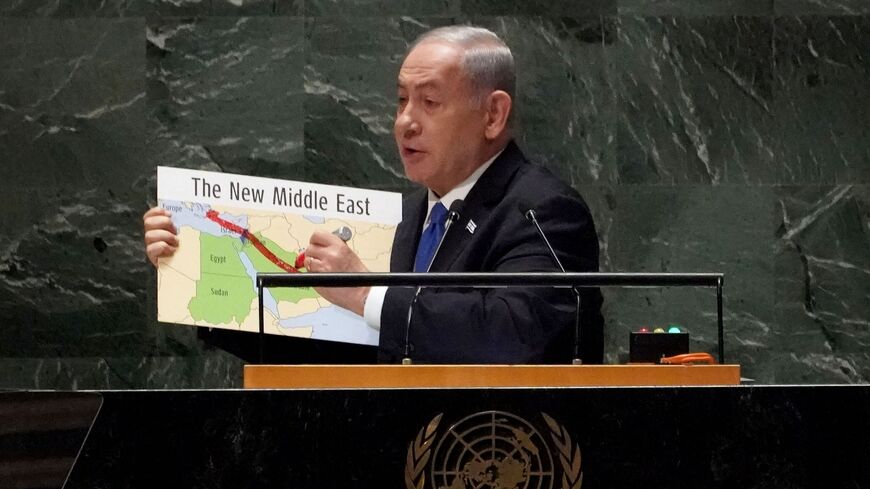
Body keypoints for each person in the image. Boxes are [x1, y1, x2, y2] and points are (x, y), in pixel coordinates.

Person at [144, 25, 604, 364]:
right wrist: (198, 279)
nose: (406, 121)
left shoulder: (542, 210)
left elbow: (514, 332)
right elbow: (345, 344)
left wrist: (366, 292)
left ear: (493, 115)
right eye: (401, 99)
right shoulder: (408, 218)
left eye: (430, 101)